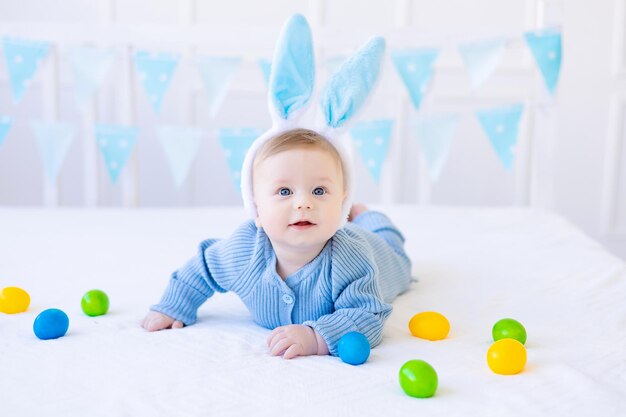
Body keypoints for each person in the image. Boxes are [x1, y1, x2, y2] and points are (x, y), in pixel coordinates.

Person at [142, 128, 413, 359]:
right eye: (284, 191)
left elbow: (367, 315)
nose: (304, 202)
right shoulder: (245, 250)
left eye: (320, 191)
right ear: (256, 208)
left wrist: (316, 337)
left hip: (381, 256)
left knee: (391, 245)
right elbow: (202, 269)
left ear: (341, 203)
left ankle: (366, 215)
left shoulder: (351, 258)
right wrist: (174, 305)